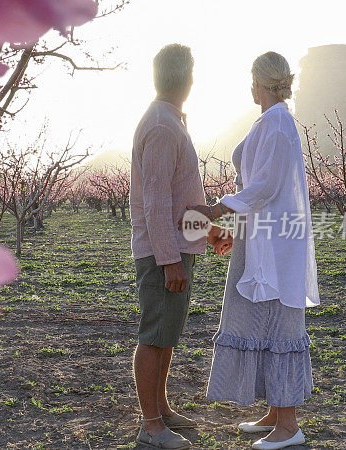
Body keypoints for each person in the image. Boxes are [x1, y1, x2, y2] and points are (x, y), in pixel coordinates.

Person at [187, 51, 321, 450]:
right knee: (261, 319)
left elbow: (265, 186)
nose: (250, 87)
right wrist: (232, 221)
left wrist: (219, 208)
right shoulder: (269, 120)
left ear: (260, 84)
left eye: (251, 80)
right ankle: (275, 412)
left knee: (279, 322)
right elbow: (259, 186)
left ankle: (289, 426)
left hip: (275, 244)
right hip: (260, 236)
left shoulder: (278, 122)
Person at [130, 43, 232, 449]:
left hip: (175, 247)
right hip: (163, 254)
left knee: (167, 333)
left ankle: (162, 409)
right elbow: (155, 203)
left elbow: (178, 198)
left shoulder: (170, 120)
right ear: (188, 80)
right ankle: (151, 426)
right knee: (155, 335)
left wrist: (210, 233)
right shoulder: (160, 125)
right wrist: (170, 261)